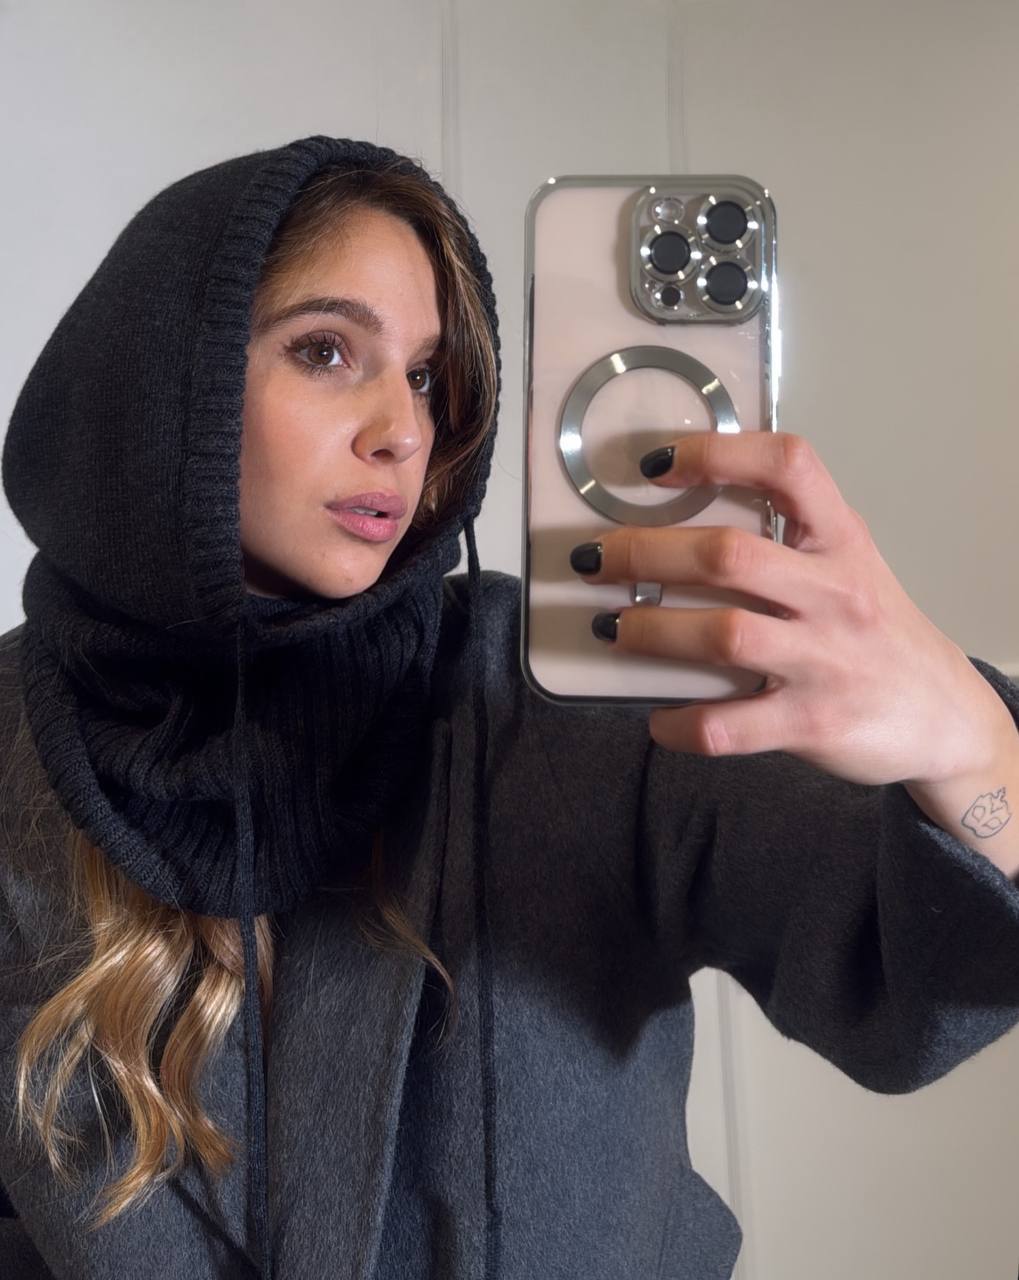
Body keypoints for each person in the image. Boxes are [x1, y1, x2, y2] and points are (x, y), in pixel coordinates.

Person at [1, 134, 1017, 1280]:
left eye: (426, 375)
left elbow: (914, 984)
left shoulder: (561, 688)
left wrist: (967, 743)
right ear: (159, 376)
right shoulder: (13, 732)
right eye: (326, 350)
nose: (403, 429)